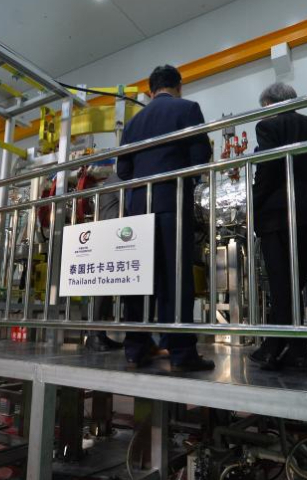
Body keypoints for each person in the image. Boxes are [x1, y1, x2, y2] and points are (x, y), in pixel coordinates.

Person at [117, 65, 214, 372]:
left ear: (150, 90)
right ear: (179, 86)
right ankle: (181, 351)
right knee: (176, 276)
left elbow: (123, 171)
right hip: (173, 200)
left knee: (139, 277)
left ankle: (136, 347)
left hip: (139, 208)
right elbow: (201, 156)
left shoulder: (133, 123)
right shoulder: (188, 109)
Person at [249, 82, 307, 372]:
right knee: (298, 284)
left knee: (282, 287)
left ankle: (278, 348)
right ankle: (295, 350)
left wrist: (255, 206)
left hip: (281, 215)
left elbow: (268, 170)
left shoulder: (268, 126)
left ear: (269, 104)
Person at [86, 170, 124, 352]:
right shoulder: (118, 178)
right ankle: (94, 336)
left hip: (113, 234)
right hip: (109, 235)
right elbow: (130, 201)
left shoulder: (116, 178)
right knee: (102, 289)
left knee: (106, 290)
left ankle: (100, 335)